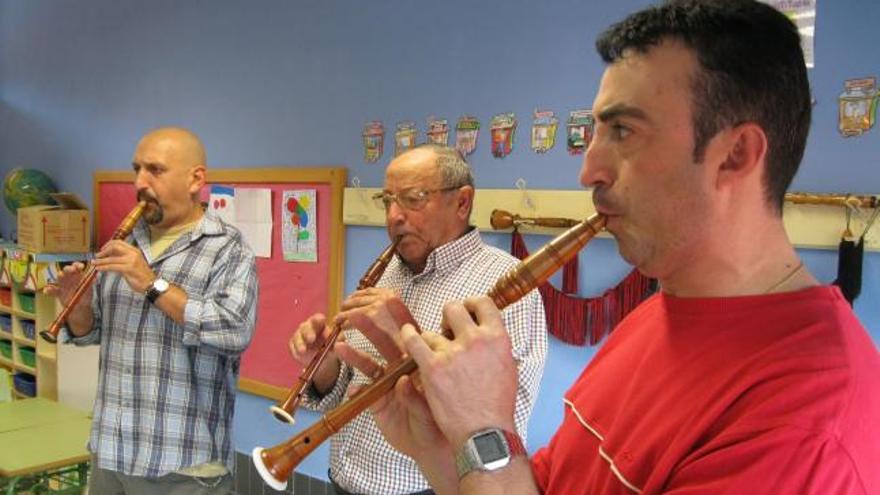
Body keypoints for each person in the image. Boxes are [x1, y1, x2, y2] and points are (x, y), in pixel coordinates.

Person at [334, 1, 880, 494]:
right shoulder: (653, 319)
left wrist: (481, 433)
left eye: (623, 132)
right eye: (595, 133)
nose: (588, 169)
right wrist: (436, 443)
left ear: (735, 156)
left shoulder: (805, 424)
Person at [288, 144, 547, 495]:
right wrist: (325, 366)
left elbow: (501, 427)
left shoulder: (508, 286)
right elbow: (354, 387)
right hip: (342, 481)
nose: (394, 216)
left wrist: (402, 333)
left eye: (413, 198)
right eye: (387, 200)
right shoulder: (386, 272)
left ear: (462, 202)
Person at [49, 127, 258, 494]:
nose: (140, 182)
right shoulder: (125, 241)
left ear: (196, 179)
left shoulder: (229, 249)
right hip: (111, 453)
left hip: (184, 468)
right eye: (137, 169)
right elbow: (90, 333)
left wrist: (152, 283)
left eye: (155, 170)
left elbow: (233, 331)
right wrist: (78, 308)